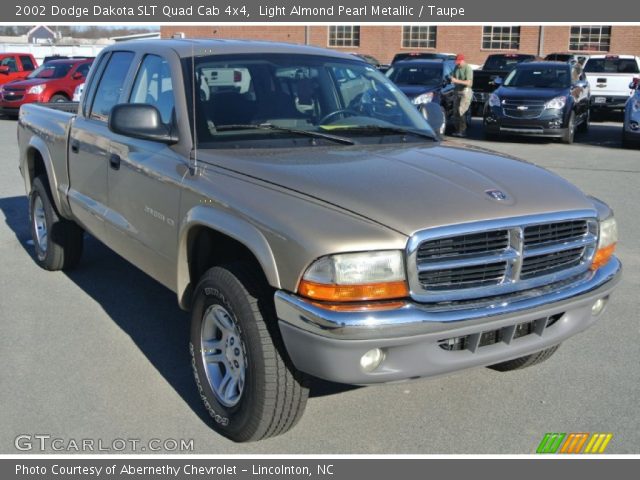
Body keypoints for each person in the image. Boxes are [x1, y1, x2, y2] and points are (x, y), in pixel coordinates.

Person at [450, 54, 473, 137]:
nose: (457, 64)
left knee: (461, 110)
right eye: (456, 62)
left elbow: (469, 83)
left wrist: (456, 80)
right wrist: (451, 79)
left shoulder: (468, 68)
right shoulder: (456, 68)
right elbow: (453, 77)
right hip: (457, 91)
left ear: (463, 61)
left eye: (459, 62)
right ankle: (457, 130)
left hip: (465, 91)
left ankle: (462, 131)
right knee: (455, 111)